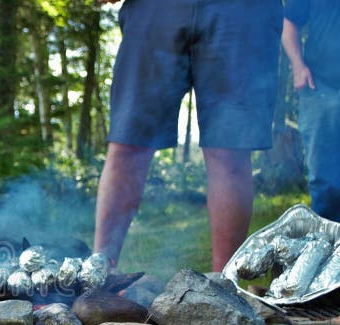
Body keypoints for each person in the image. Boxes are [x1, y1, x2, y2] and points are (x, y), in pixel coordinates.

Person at [94, 0, 283, 271]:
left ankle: (223, 287)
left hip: (243, 9)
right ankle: (99, 275)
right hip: (154, 7)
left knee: (229, 150)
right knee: (129, 143)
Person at [282, 0, 340, 222]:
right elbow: (289, 21)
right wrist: (297, 65)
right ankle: (329, 250)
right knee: (326, 184)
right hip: (320, 87)